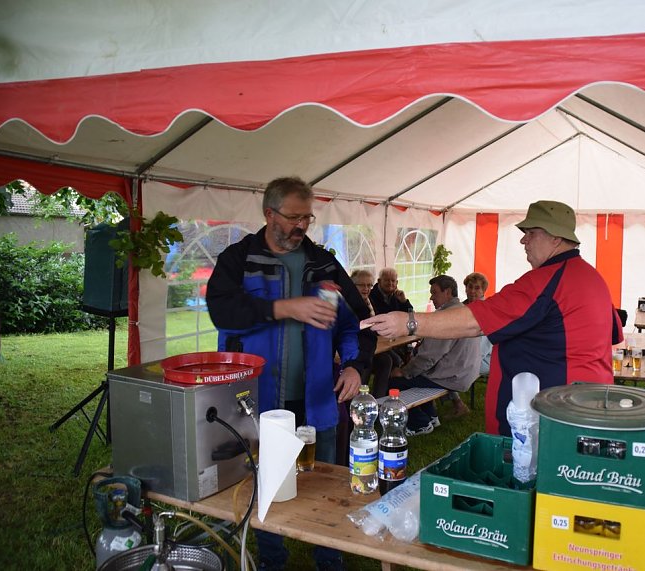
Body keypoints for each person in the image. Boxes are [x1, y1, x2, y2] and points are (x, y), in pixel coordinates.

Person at [206, 176, 375, 571]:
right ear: (269, 213)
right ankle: (272, 558)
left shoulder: (324, 264)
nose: (301, 226)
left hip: (319, 399)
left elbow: (359, 324)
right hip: (258, 402)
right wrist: (284, 308)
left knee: (325, 483)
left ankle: (329, 556)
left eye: (308, 218)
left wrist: (355, 365)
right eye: (293, 217)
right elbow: (223, 312)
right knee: (269, 483)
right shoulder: (238, 259)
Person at [365, 200, 622, 436]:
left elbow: (474, 321)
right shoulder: (594, 279)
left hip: (548, 416)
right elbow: (613, 334)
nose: (524, 241)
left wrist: (408, 322)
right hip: (589, 406)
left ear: (555, 238)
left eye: (530, 233)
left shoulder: (544, 282)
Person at [387, 275, 481, 435]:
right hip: (466, 373)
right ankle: (431, 416)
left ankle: (419, 423)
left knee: (395, 383)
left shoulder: (445, 318)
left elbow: (428, 357)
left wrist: (404, 371)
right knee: (420, 376)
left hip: (452, 377)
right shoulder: (463, 310)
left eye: (435, 293)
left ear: (448, 292)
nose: (431, 297)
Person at [351, 269, 394, 398]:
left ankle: (378, 400)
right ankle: (358, 400)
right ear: (353, 286)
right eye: (362, 285)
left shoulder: (370, 302)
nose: (367, 288)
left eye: (369, 285)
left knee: (386, 360)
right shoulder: (349, 304)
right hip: (352, 352)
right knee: (367, 362)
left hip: (370, 347)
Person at [463, 272, 493, 378]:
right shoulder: (461, 308)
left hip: (483, 359)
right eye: (470, 287)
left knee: (450, 367)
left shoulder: (486, 312)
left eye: (477, 288)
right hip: (463, 355)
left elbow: (482, 349)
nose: (472, 291)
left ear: (483, 291)